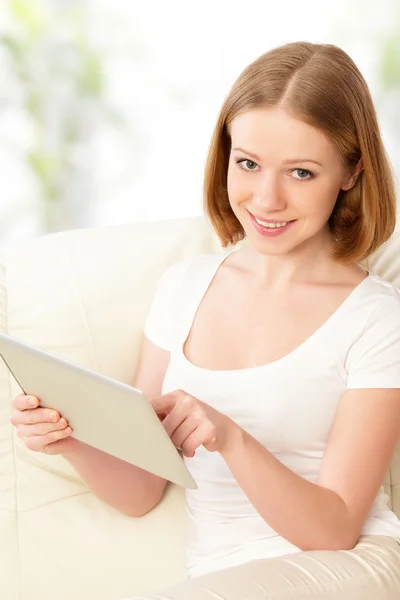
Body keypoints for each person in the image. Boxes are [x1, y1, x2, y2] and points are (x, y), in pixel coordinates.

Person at [10, 41, 400, 599]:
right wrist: (70, 438)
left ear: (351, 172)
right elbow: (142, 488)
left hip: (348, 567)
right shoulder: (184, 288)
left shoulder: (377, 316)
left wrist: (233, 440)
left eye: (301, 172)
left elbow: (335, 528)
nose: (266, 199)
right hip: (220, 580)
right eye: (248, 164)